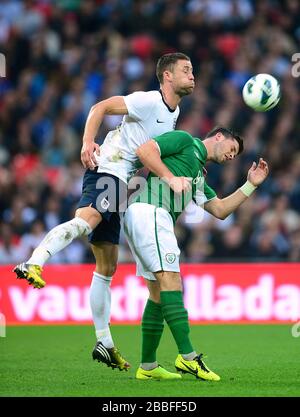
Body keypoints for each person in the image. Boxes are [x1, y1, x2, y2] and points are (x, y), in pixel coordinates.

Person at [13, 52, 195, 371]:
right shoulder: (149, 100)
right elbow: (100, 107)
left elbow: (146, 152)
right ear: (167, 76)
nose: (192, 75)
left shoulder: (174, 111)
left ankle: (104, 342)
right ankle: (34, 261)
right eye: (186, 70)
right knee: (88, 221)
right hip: (107, 170)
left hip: (123, 184)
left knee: (107, 265)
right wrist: (87, 142)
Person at [123, 127, 269, 380]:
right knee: (172, 282)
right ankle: (188, 358)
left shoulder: (198, 174)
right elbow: (145, 151)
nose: (232, 155)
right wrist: (170, 179)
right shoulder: (184, 140)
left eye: (236, 154)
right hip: (152, 212)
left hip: (147, 217)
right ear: (219, 136)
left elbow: (220, 209)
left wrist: (250, 185)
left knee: (158, 293)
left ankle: (147, 367)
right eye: (232, 148)